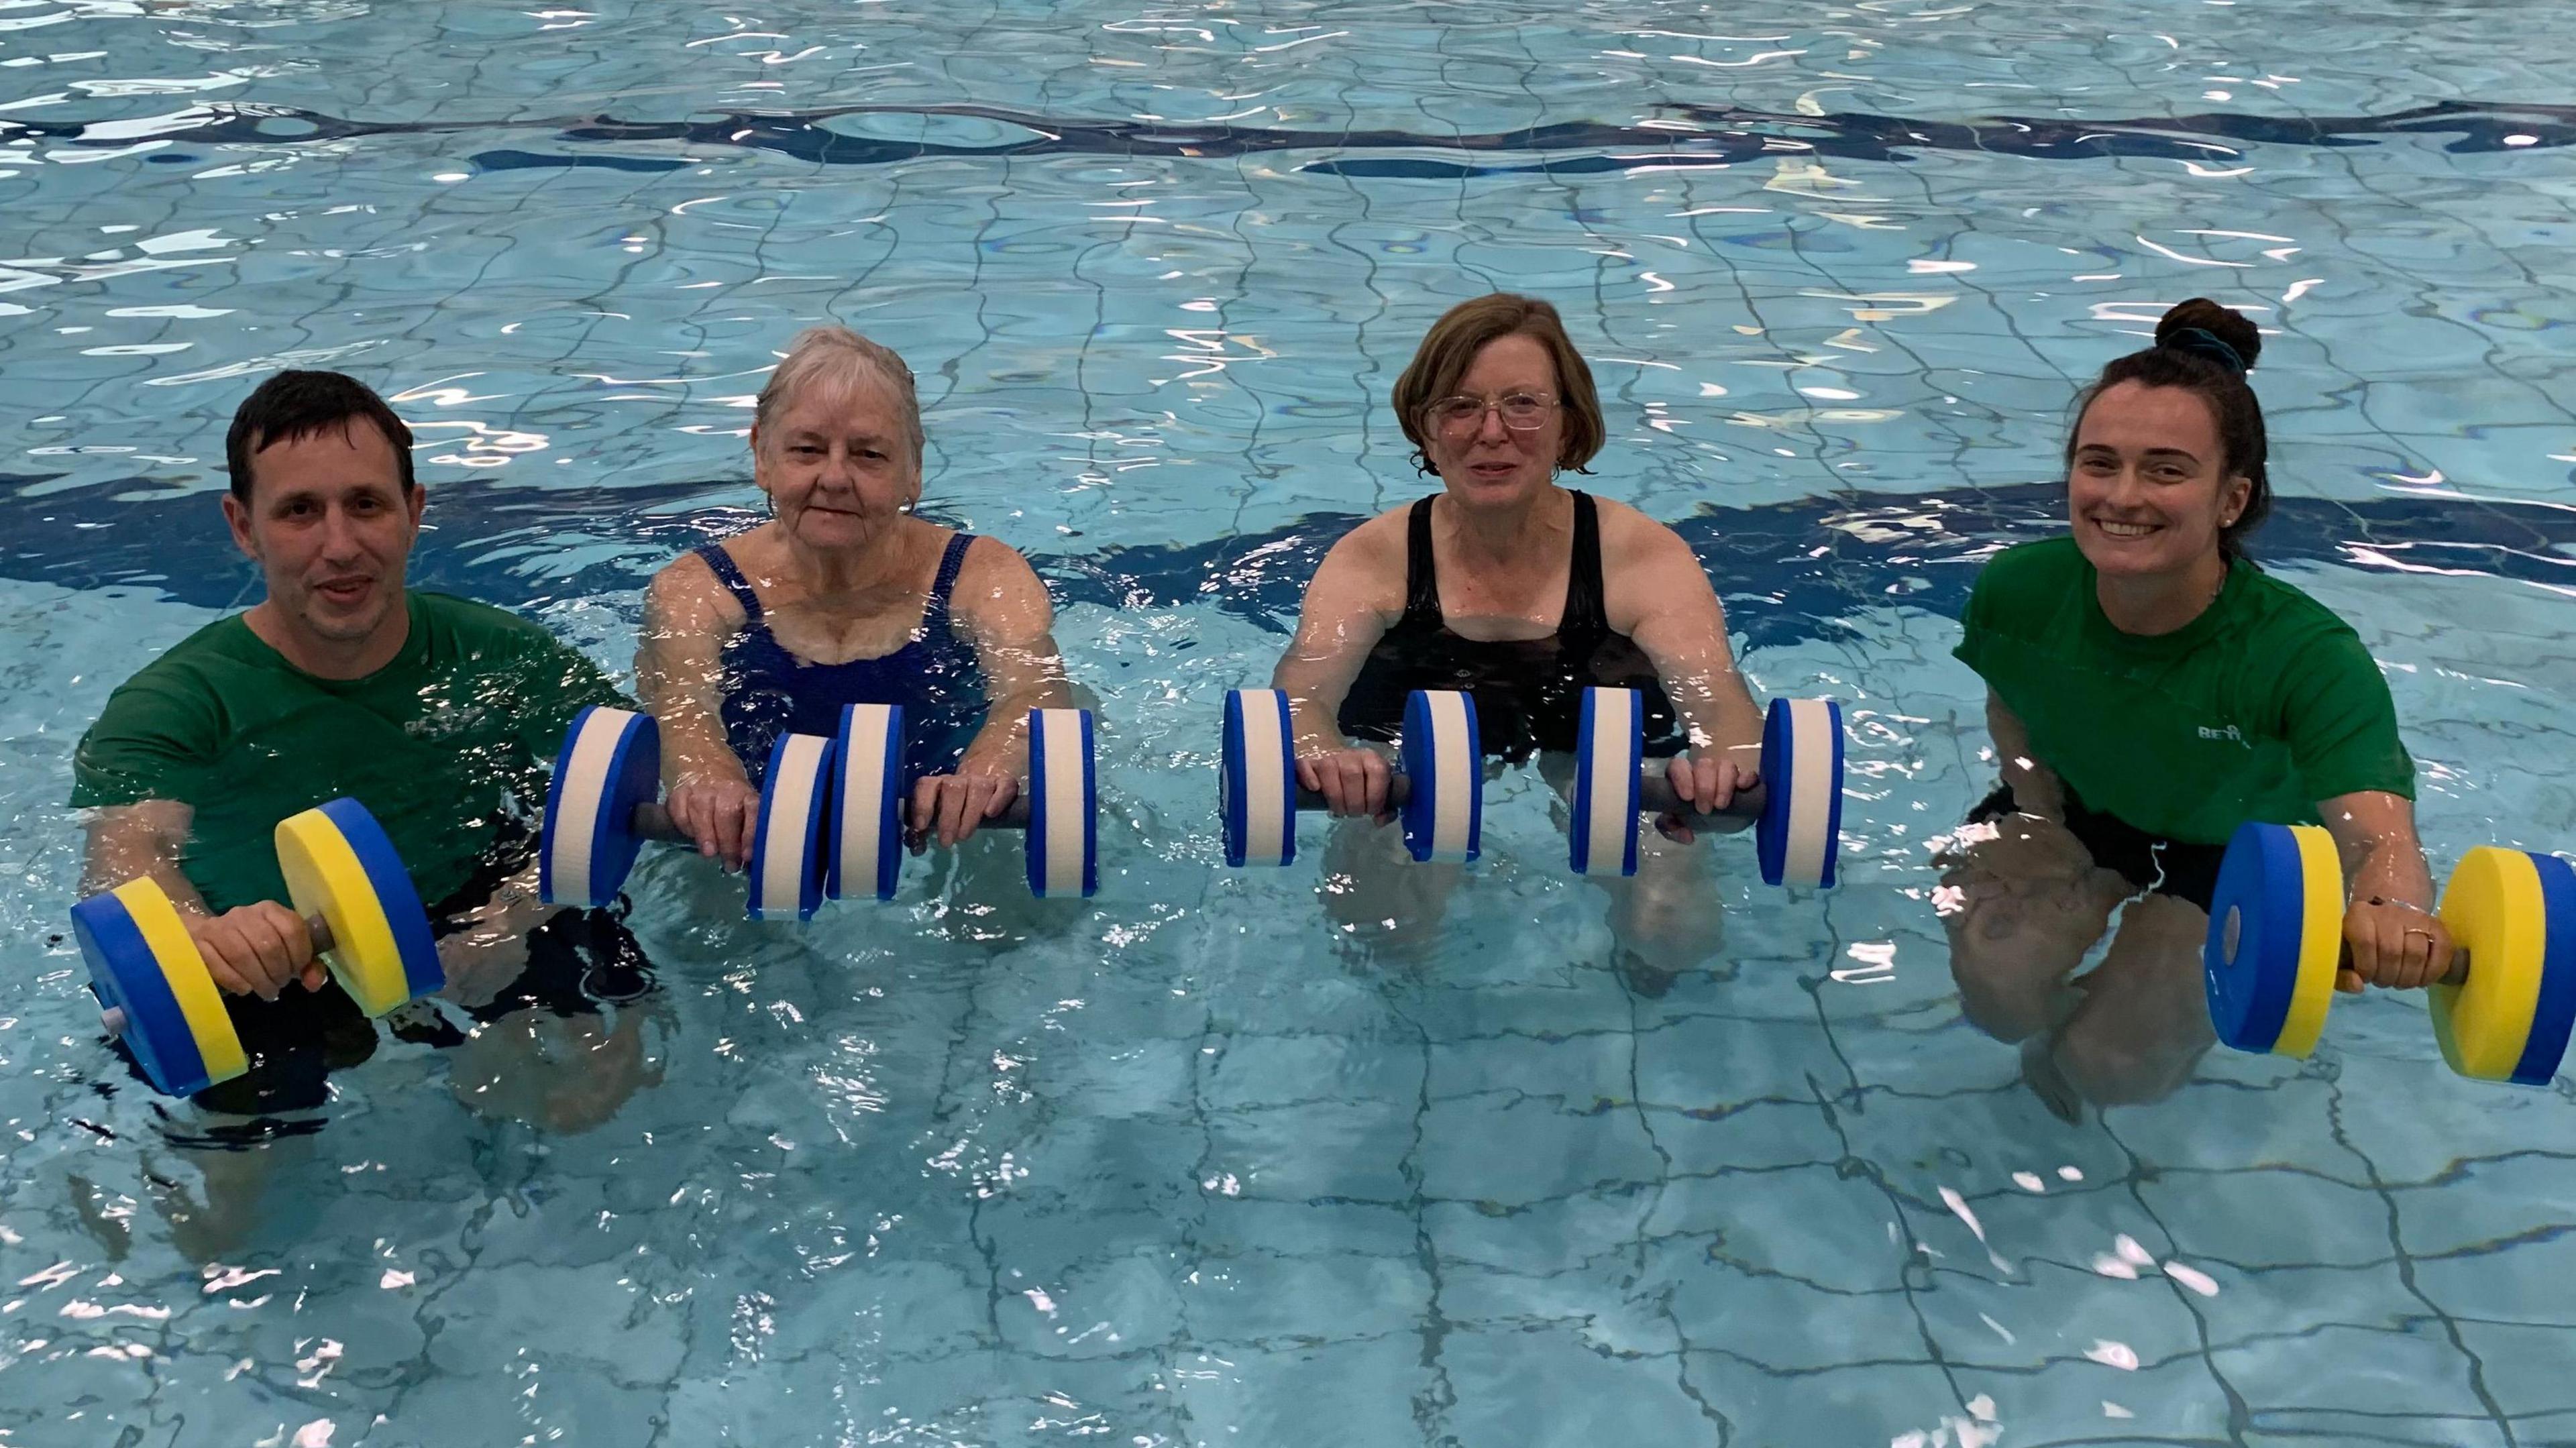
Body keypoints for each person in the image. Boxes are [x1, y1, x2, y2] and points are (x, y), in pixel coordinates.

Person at [70, 369, 657, 1131]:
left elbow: (632, 787)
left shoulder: (503, 657)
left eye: (366, 504)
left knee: (593, 1093)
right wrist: (208, 935)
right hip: (271, 960)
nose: (339, 545)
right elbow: (125, 859)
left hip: (470, 902)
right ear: (243, 526)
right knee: (233, 1218)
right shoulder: (177, 703)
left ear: (413, 513)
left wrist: (511, 912)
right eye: (299, 512)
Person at [1938, 298, 2441, 1119]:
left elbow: (2381, 833)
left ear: (2232, 498)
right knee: (1999, 997)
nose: (2122, 496)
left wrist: (2395, 914)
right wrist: (2038, 811)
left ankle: (2106, 1027)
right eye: (2099, 463)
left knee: (2110, 1068)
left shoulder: (2307, 655)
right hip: (2080, 808)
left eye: (2167, 469)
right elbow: (2013, 706)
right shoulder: (2018, 589)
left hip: (2241, 857)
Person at [1271, 293, 1768, 981]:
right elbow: (1302, 692)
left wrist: (1721, 767)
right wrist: (1328, 756)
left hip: (1601, 722)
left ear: (1569, 426)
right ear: (1426, 429)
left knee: (1673, 931)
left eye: (1524, 403)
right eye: (1461, 405)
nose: (1492, 432)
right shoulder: (1373, 560)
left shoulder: (1641, 557)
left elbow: (1716, 697)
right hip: (1416, 734)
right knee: (1381, 929)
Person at [637, 326, 1073, 868]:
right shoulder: (698, 589)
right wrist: (709, 778)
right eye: (807, 449)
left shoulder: (982, 575)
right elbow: (679, 708)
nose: (835, 477)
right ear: (762, 456)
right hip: (754, 844)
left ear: (914, 471)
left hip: (945, 836)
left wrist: (988, 766)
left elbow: (1036, 688)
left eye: (869, 454)